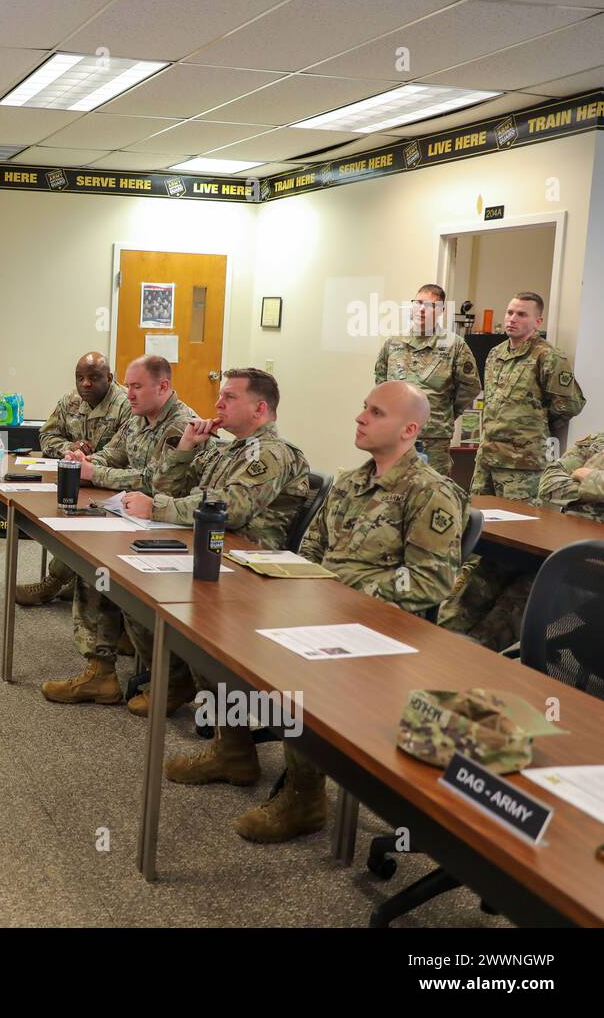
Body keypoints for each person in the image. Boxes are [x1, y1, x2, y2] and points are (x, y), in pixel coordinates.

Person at [192, 381, 464, 843]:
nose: (360, 417)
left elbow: (430, 581)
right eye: (364, 407)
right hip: (324, 603)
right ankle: (232, 746)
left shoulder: (430, 493)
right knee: (215, 624)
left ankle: (305, 796)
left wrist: (344, 591)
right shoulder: (352, 481)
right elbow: (313, 546)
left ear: (409, 429)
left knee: (298, 675)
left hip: (384, 626)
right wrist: (306, 587)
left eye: (376, 413)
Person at [128, 367, 307, 737]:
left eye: (229, 397)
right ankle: (177, 680)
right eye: (220, 396)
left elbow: (232, 508)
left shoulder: (271, 453)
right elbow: (167, 486)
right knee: (132, 581)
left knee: (157, 590)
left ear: (260, 409)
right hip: (212, 548)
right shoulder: (228, 450)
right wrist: (187, 447)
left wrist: (158, 508)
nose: (217, 403)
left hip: (247, 564)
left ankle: (230, 740)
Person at [39, 356, 198, 705]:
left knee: (118, 577)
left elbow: (154, 481)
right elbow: (114, 454)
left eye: (137, 386)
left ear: (163, 387)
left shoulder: (180, 424)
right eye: (129, 386)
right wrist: (87, 463)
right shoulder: (140, 418)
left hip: (174, 525)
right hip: (140, 517)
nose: (129, 395)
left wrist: (94, 475)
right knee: (93, 566)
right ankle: (101, 671)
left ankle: (172, 678)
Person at [440, 430, 604, 651]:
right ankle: (439, 640)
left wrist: (586, 476)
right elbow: (549, 482)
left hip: (588, 562)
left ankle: (467, 656)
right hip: (555, 541)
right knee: (492, 566)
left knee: (523, 593)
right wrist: (594, 489)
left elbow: (566, 483)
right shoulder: (597, 441)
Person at [17, 352, 131, 605]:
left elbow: (120, 453)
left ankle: (55, 582)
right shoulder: (70, 400)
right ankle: (75, 580)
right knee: (66, 516)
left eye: (93, 377)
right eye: (80, 378)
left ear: (109, 378)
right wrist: (69, 448)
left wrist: (86, 462)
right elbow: (47, 437)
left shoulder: (125, 404)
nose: (85, 384)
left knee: (81, 524)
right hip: (79, 479)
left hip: (110, 484)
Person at [471, 292, 585, 499]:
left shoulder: (548, 356)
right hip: (487, 456)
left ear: (537, 321)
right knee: (479, 519)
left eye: (522, 314)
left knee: (517, 526)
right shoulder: (496, 353)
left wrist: (536, 422)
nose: (512, 319)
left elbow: (570, 405)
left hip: (523, 462)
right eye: (510, 312)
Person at [373, 284, 479, 477]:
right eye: (419, 303)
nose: (422, 310)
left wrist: (442, 412)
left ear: (441, 311)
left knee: (431, 494)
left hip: (433, 438)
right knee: (389, 490)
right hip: (394, 434)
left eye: (431, 306)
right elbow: (382, 383)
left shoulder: (454, 345)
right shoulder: (394, 342)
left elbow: (470, 388)